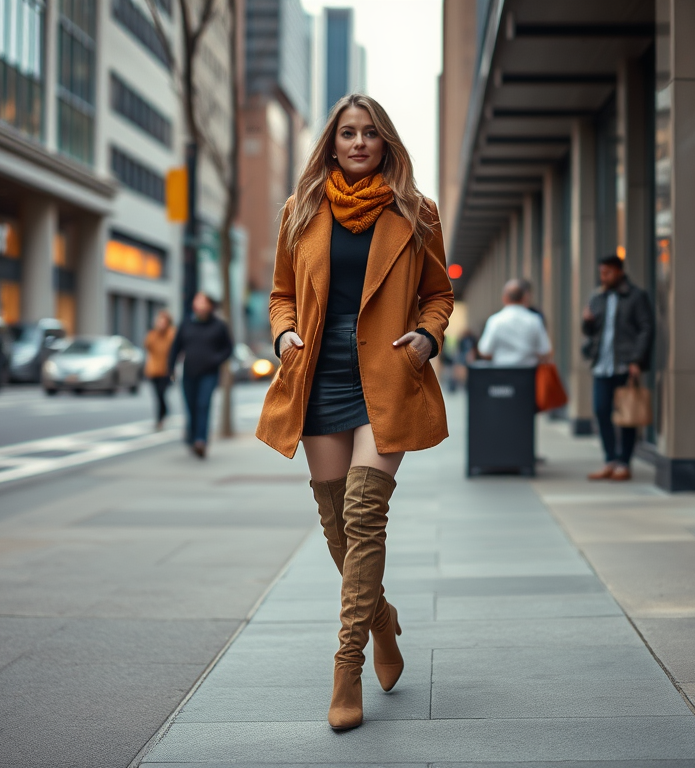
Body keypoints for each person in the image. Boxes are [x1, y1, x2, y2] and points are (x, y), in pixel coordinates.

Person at [255, 93, 453, 731]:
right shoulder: (301, 210)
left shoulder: (416, 213)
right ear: (332, 143)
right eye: (348, 133)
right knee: (337, 525)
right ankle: (383, 620)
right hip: (319, 383)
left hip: (386, 380)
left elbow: (437, 294)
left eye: (370, 133)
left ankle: (347, 667)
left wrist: (427, 338)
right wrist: (284, 335)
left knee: (366, 515)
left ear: (386, 142)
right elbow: (282, 294)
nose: (360, 143)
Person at [581, 254, 654, 481]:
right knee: (601, 411)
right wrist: (587, 322)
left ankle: (624, 463)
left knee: (627, 415)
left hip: (624, 365)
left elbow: (646, 328)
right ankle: (610, 460)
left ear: (619, 271)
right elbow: (591, 332)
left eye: (608, 272)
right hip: (602, 365)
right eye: (601, 272)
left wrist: (636, 360)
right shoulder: (598, 296)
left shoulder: (636, 296)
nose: (603, 276)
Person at [168, 292, 232, 458]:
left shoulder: (219, 325)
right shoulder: (186, 324)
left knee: (203, 405)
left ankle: (200, 441)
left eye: (204, 301)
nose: (200, 304)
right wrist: (171, 368)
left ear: (210, 305)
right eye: (198, 300)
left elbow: (228, 348)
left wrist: (215, 359)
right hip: (189, 373)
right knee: (191, 407)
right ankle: (191, 436)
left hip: (209, 373)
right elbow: (176, 347)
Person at [477, 278, 552, 366]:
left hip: (502, 374)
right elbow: (545, 351)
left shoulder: (495, 321)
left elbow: (485, 351)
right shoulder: (534, 320)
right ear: (525, 298)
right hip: (529, 376)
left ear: (504, 298)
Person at [144, 310, 177, 430]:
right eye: (159, 321)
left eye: (164, 321)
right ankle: (162, 415)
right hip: (153, 370)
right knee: (157, 396)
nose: (161, 323)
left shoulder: (171, 334)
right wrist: (156, 332)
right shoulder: (153, 334)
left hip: (166, 370)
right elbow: (147, 345)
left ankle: (160, 418)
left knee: (162, 393)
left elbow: (173, 349)